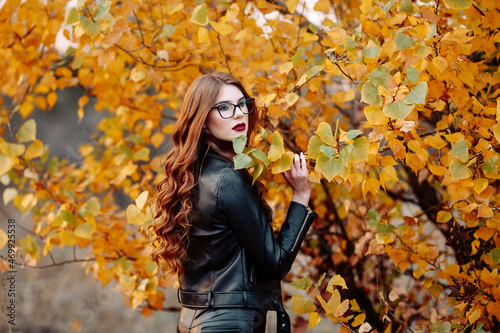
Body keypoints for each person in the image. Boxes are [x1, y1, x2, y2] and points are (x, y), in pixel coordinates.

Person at [149, 72, 317, 333]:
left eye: (242, 104)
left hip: (191, 319)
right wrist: (301, 196)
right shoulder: (228, 179)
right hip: (228, 324)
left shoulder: (192, 174)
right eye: (224, 107)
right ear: (203, 121)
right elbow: (276, 262)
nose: (239, 114)